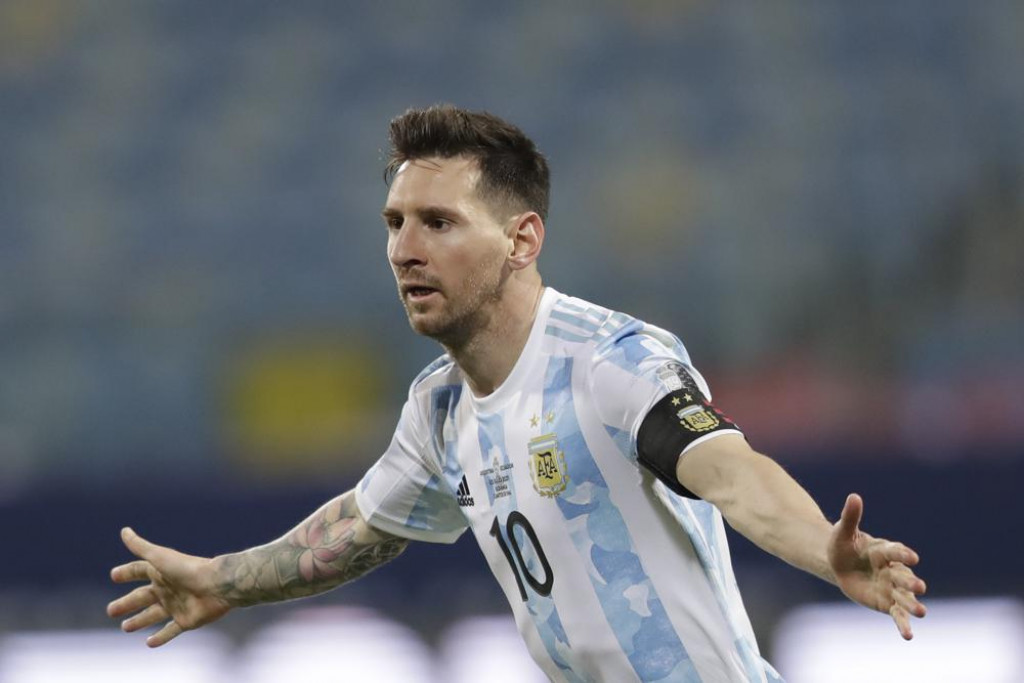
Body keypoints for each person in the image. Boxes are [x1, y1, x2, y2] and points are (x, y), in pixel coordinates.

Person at [107, 105, 927, 682]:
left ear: (521, 238)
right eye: (394, 223)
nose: (404, 250)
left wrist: (824, 546)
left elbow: (729, 470)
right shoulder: (439, 408)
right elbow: (356, 525)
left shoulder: (612, 361)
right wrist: (222, 579)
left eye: (438, 222)